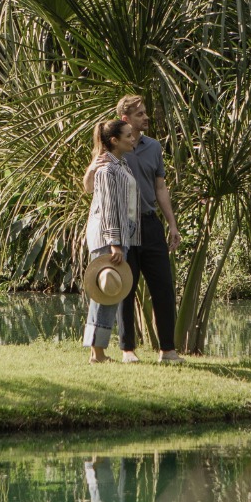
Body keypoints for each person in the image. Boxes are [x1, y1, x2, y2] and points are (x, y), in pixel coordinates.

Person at [86, 94, 180, 363]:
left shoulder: (152, 148)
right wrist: (115, 240)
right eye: (140, 114)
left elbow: (161, 188)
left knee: (162, 284)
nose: (146, 117)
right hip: (123, 228)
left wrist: (172, 224)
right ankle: (126, 350)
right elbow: (96, 193)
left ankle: (168, 350)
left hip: (149, 223)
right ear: (125, 121)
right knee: (122, 288)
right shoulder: (110, 157)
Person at [83, 117, 139, 362]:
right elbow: (107, 208)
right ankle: (97, 351)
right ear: (114, 141)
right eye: (127, 135)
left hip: (117, 236)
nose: (133, 138)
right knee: (104, 291)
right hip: (108, 237)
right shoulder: (107, 169)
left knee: (110, 292)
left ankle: (98, 350)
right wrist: (115, 242)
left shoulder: (120, 165)